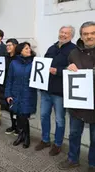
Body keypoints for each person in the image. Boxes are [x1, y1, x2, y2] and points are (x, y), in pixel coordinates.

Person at [58, 21, 95, 172]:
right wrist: (68, 69)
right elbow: (68, 76)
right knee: (74, 134)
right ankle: (73, 159)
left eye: (92, 33)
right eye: (86, 34)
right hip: (77, 104)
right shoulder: (73, 53)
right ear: (81, 36)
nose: (89, 36)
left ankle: (93, 163)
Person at [35, 26, 77, 156]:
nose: (63, 35)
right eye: (62, 32)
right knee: (43, 115)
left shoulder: (73, 50)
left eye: (66, 33)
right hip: (46, 89)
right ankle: (45, 139)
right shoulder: (52, 47)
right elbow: (44, 63)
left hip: (60, 92)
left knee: (59, 119)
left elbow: (75, 71)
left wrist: (57, 71)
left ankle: (58, 144)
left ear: (71, 36)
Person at [5, 42, 37, 148]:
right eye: (26, 48)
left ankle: (26, 136)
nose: (29, 50)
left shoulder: (35, 63)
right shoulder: (14, 63)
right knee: (18, 115)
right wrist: (8, 94)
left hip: (28, 93)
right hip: (15, 93)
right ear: (20, 51)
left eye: (29, 48)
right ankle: (21, 135)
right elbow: (9, 79)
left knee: (24, 115)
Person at [0, 38, 19, 135]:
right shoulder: (5, 57)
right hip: (6, 85)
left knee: (17, 108)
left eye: (10, 45)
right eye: (7, 45)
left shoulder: (19, 58)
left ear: (15, 46)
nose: (8, 47)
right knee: (10, 107)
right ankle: (13, 126)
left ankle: (19, 127)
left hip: (16, 87)